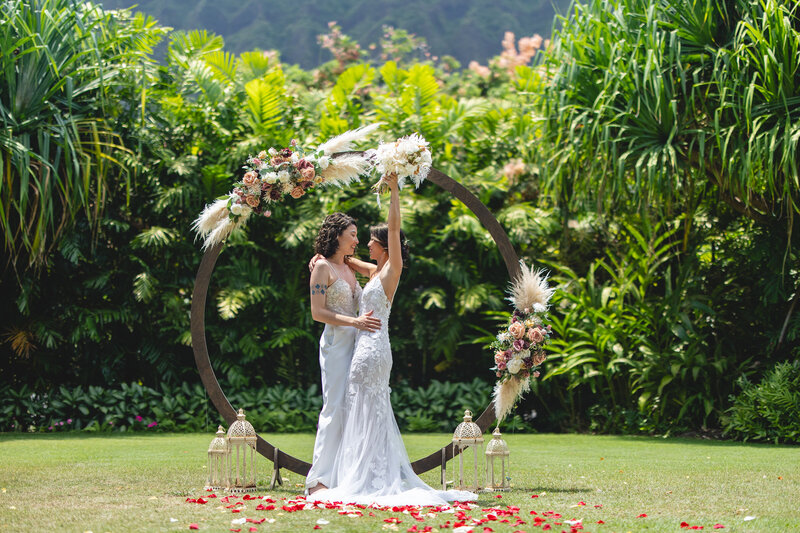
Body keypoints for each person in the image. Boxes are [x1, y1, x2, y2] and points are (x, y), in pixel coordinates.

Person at [310, 174, 477, 506]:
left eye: (369, 239)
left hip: (369, 348)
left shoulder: (387, 271)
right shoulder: (367, 270)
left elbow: (393, 233)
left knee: (367, 410)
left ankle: (363, 477)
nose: (363, 243)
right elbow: (341, 264)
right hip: (354, 346)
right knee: (354, 410)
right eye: (356, 237)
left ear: (385, 247)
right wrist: (322, 258)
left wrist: (395, 191)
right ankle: (348, 474)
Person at [306, 212, 381, 495]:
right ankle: (319, 480)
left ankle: (346, 475)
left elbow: (375, 271)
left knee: (354, 408)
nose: (358, 240)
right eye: (352, 235)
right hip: (337, 342)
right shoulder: (321, 268)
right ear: (337, 236)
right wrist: (355, 322)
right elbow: (318, 312)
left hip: (359, 345)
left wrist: (349, 259)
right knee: (335, 406)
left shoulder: (348, 268)